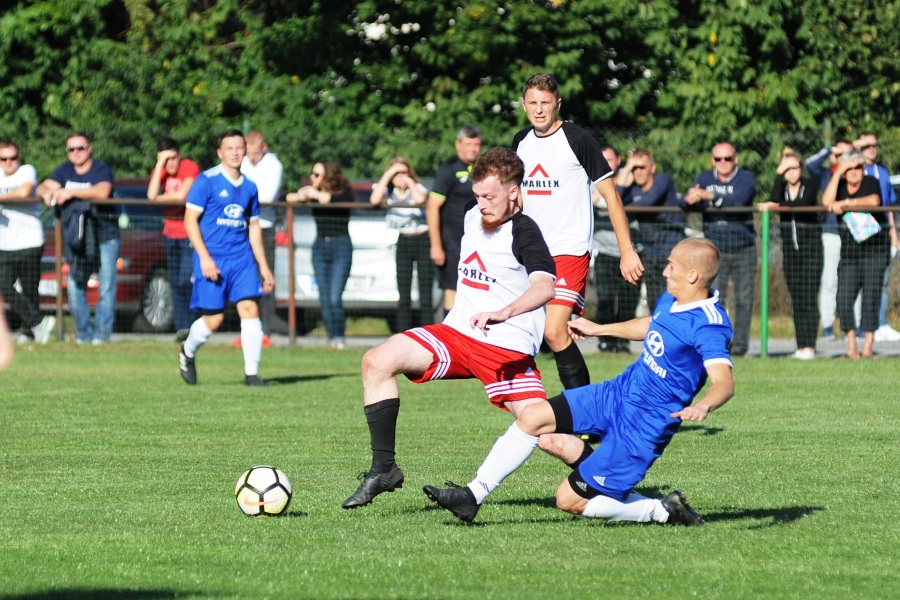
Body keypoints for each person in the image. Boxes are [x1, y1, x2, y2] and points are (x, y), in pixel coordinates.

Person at [423, 238, 734, 526]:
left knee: (568, 500)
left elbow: (724, 382)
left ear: (693, 276)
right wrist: (599, 329)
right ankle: (472, 496)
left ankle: (663, 511)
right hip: (617, 393)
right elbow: (655, 324)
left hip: (643, 425)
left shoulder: (710, 325)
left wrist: (704, 405)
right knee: (533, 416)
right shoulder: (673, 298)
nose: (665, 271)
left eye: (672, 266)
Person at [343, 147, 585, 510]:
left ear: (514, 192)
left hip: (504, 350)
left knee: (548, 436)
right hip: (456, 335)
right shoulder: (474, 215)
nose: (481, 204)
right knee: (376, 361)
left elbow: (544, 288)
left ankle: (604, 473)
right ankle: (384, 470)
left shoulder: (525, 233)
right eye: (477, 195)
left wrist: (505, 311)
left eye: (490, 197)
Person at [513, 73, 643, 390]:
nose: (539, 109)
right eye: (533, 102)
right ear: (523, 105)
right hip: (531, 252)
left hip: (568, 250)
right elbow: (515, 197)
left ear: (558, 104)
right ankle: (542, 405)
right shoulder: (520, 141)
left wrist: (626, 251)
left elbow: (611, 197)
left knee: (555, 330)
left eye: (545, 103)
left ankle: (582, 406)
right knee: (526, 334)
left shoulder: (577, 139)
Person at [177, 129, 274, 387]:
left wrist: (264, 267)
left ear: (246, 151)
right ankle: (187, 351)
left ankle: (251, 374)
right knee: (214, 319)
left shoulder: (250, 187)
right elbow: (189, 221)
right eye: (229, 148)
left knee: (250, 309)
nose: (235, 152)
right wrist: (205, 258)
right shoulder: (206, 181)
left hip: (242, 258)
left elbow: (254, 227)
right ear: (220, 152)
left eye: (239, 147)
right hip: (213, 258)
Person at [37, 132, 117, 345]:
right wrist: (46, 194)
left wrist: (70, 192)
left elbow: (103, 191)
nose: (76, 153)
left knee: (106, 285)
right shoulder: (64, 170)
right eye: (71, 149)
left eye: (80, 148)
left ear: (89, 148)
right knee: (74, 284)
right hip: (79, 238)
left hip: (105, 235)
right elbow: (42, 186)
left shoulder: (101, 168)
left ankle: (101, 335)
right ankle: (83, 334)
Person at [683, 142, 756, 356]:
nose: (723, 162)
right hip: (714, 250)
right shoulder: (705, 178)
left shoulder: (745, 178)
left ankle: (740, 345)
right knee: (715, 298)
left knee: (744, 298)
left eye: (728, 158)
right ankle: (718, 343)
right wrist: (690, 199)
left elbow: (739, 200)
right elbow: (691, 201)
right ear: (712, 160)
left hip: (743, 247)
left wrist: (711, 197)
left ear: (736, 159)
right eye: (718, 159)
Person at [822, 150, 888, 359]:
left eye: (858, 167)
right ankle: (851, 346)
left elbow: (874, 200)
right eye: (849, 168)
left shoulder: (870, 182)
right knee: (843, 297)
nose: (854, 172)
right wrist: (838, 172)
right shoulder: (840, 185)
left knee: (871, 297)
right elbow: (826, 201)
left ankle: (867, 346)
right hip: (850, 253)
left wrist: (845, 204)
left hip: (875, 250)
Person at [758, 152, 822, 359]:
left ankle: (810, 345)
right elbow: (774, 197)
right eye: (786, 169)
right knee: (797, 298)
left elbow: (803, 203)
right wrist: (778, 174)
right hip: (790, 252)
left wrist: (776, 206)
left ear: (801, 169)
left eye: (794, 168)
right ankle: (800, 345)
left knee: (809, 297)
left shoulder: (810, 185)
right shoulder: (782, 189)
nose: (791, 173)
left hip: (811, 251)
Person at [286, 160, 355, 348]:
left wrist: (316, 194)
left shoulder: (343, 191)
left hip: (341, 246)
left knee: (334, 297)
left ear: (328, 176)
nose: (312, 177)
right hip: (320, 246)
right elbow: (285, 197)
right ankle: (331, 338)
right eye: (312, 173)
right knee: (324, 297)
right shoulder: (312, 192)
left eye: (317, 174)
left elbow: (337, 200)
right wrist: (300, 195)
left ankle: (339, 337)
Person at [0, 140, 55, 344]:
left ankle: (31, 331)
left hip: (30, 240)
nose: (9, 162)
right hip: (5, 243)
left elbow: (24, 192)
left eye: (13, 158)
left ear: (19, 157)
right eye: (3, 159)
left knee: (30, 289)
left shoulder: (26, 171)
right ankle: (38, 322)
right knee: (4, 284)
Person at [146, 137, 201, 341]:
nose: (171, 164)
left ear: (180, 155)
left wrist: (156, 200)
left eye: (173, 158)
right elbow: (151, 193)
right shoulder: (160, 170)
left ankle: (194, 325)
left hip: (189, 233)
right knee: (175, 282)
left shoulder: (189, 167)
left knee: (187, 280)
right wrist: (160, 163)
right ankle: (182, 328)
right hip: (170, 233)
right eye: (166, 159)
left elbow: (181, 196)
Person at [370, 157, 434, 331]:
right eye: (397, 173)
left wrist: (409, 182)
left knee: (425, 292)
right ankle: (403, 332)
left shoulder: (417, 188)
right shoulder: (388, 191)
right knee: (403, 293)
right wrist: (389, 174)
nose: (401, 177)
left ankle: (428, 333)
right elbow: (374, 200)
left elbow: (420, 199)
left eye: (404, 172)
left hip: (422, 239)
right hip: (404, 241)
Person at [618, 149, 684, 314]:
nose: (638, 172)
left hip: (671, 249)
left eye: (642, 167)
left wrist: (625, 208)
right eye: (635, 168)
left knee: (673, 297)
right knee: (654, 298)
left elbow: (648, 201)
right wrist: (626, 169)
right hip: (649, 249)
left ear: (652, 168)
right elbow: (614, 199)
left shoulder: (663, 180)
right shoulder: (633, 189)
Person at [427, 125, 482, 316]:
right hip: (452, 243)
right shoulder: (448, 169)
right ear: (458, 144)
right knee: (453, 292)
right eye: (468, 144)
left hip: (478, 241)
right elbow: (432, 207)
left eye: (476, 144)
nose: (473, 149)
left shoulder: (483, 168)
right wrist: (436, 246)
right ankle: (448, 332)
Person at [240, 130, 287, 345]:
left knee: (265, 279)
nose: (251, 157)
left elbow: (267, 197)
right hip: (242, 227)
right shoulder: (241, 161)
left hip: (264, 228)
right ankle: (247, 330)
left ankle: (265, 332)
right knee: (244, 280)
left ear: (263, 148)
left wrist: (242, 200)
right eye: (248, 153)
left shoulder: (273, 165)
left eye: (255, 153)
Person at [592, 144, 640, 353]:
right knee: (606, 298)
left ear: (618, 161)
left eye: (609, 160)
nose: (605, 164)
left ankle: (623, 342)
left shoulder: (631, 179)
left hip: (631, 253)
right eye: (602, 160)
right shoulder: (591, 182)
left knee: (629, 300)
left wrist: (628, 171)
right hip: (605, 251)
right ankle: (606, 340)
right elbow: (605, 198)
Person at [807, 139, 855, 341]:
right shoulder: (826, 174)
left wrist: (855, 153)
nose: (844, 157)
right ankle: (828, 325)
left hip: (854, 232)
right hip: (831, 231)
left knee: (855, 281)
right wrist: (829, 150)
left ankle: (854, 326)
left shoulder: (857, 173)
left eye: (848, 153)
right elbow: (810, 164)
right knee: (829, 280)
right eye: (840, 154)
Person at [855, 131, 900, 343]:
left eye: (875, 145)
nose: (872, 149)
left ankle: (879, 323)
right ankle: (858, 325)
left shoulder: (882, 172)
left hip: (880, 229)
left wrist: (893, 232)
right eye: (867, 145)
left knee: (880, 278)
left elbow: (888, 205)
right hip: (858, 227)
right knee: (856, 279)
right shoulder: (852, 168)